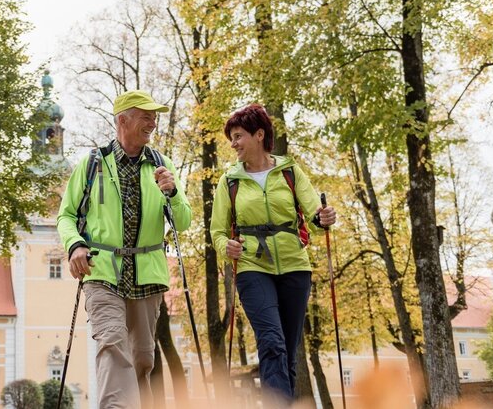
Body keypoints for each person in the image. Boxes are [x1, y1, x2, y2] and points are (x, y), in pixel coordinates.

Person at [57, 90, 193, 409]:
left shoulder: (161, 165)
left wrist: (172, 192)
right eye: (145, 116)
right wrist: (76, 244)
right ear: (123, 120)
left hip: (147, 274)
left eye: (154, 116)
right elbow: (65, 215)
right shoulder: (93, 164)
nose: (153, 122)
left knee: (143, 358)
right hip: (102, 272)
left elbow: (183, 221)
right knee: (112, 344)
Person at [210, 104, 337, 405]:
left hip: (294, 267)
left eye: (238, 136)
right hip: (252, 266)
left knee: (288, 352)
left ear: (259, 134)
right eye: (231, 138)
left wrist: (324, 218)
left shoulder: (289, 171)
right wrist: (224, 246)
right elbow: (216, 231)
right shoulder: (229, 181)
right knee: (272, 342)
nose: (233, 144)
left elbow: (314, 214)